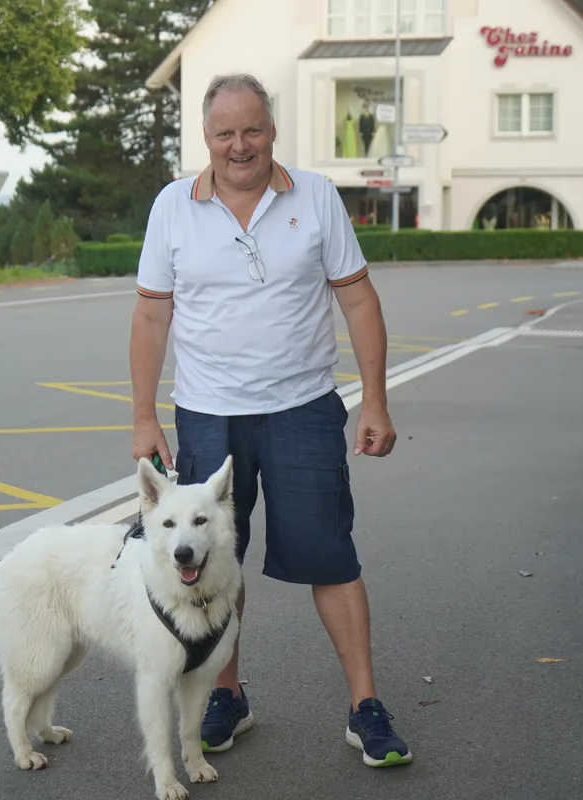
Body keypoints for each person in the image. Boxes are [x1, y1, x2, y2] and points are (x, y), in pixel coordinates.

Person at [127, 72, 411, 769]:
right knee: (210, 561)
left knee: (329, 554)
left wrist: (375, 400)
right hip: (207, 414)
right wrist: (142, 417)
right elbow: (151, 314)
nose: (240, 145)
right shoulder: (172, 206)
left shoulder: (315, 196)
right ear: (206, 136)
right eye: (225, 132)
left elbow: (359, 300)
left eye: (252, 129)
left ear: (272, 130)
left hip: (303, 410)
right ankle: (225, 695)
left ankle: (366, 707)